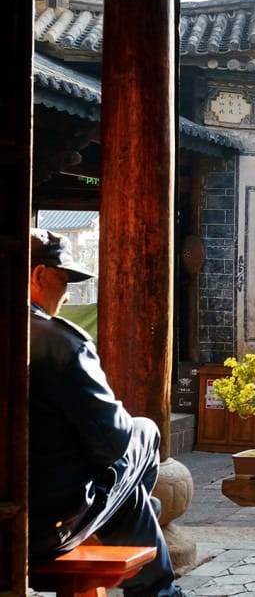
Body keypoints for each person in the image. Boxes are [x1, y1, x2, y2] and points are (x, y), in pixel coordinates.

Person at [27, 228, 183, 597]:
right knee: (143, 433)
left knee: (122, 485)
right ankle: (159, 592)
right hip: (46, 525)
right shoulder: (60, 342)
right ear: (38, 276)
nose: (65, 297)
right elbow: (114, 444)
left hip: (18, 517)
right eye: (64, 282)